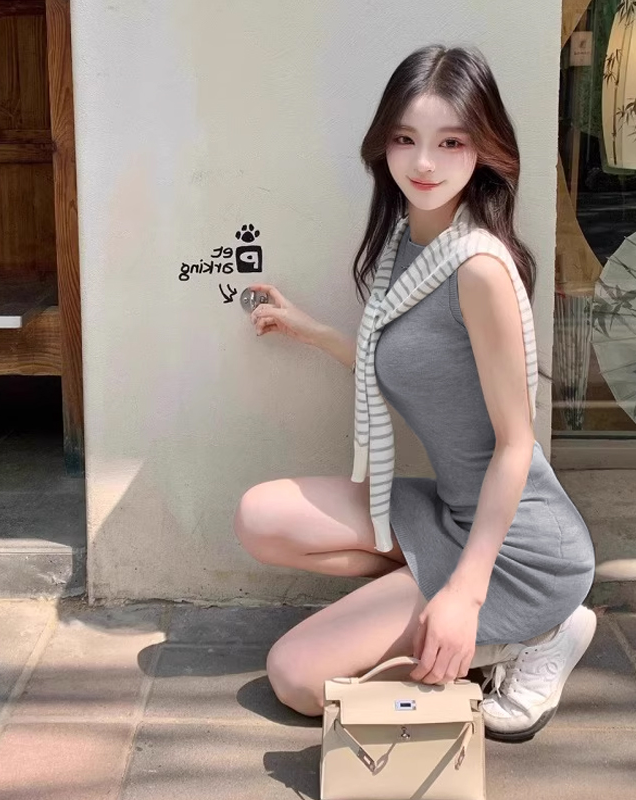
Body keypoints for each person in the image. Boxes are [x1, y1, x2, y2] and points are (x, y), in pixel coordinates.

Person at [233, 44, 596, 742]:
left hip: (518, 550)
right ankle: (422, 607)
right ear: (384, 144)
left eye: (450, 142)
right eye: (405, 138)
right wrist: (312, 330)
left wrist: (463, 594)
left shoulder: (479, 269)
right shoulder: (408, 240)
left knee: (296, 676)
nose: (424, 163)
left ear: (483, 149)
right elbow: (407, 361)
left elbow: (516, 445)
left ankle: (536, 632)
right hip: (452, 512)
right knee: (259, 517)